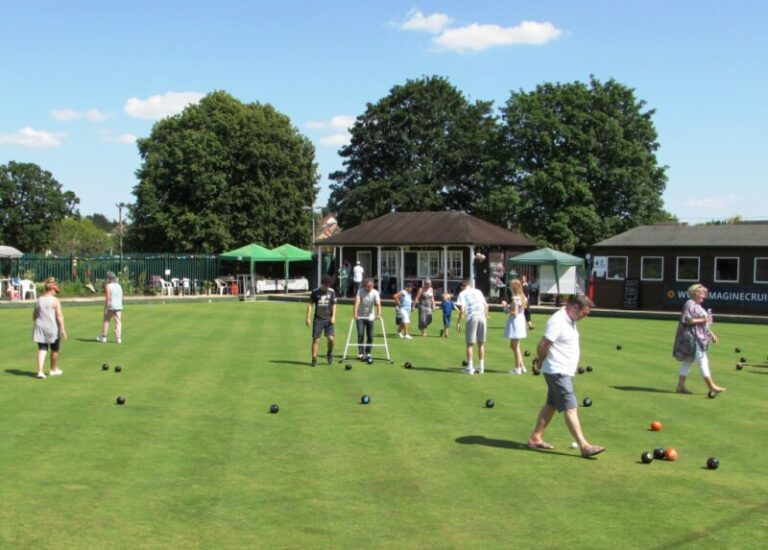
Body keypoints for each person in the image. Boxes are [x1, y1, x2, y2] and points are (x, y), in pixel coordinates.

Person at [528, 295, 605, 458]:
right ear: (575, 307)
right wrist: (540, 360)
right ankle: (584, 446)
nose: (586, 316)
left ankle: (535, 437)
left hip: (564, 371)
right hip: (557, 371)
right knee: (570, 407)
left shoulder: (571, 320)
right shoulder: (558, 321)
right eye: (585, 312)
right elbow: (543, 345)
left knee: (551, 405)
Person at [673, 283, 726, 394]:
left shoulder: (697, 305)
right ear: (696, 293)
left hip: (697, 336)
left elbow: (702, 323)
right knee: (702, 360)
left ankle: (680, 387)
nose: (704, 296)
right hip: (691, 338)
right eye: (702, 293)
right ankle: (711, 386)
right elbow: (687, 320)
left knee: (688, 361)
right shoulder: (690, 303)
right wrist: (704, 319)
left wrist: (711, 334)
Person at [32, 277, 67, 379]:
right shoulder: (55, 300)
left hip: (40, 326)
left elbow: (35, 314)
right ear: (52, 289)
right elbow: (59, 316)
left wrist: (36, 322)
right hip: (52, 327)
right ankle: (53, 369)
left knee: (42, 348)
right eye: (55, 290)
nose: (56, 292)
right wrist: (63, 329)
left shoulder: (39, 300)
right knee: (54, 349)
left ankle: (40, 372)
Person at [456, 280, 488, 374]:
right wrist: (484, 316)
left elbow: (462, 310)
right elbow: (486, 306)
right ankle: (481, 367)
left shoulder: (462, 294)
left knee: (469, 344)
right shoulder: (478, 291)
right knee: (481, 343)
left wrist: (458, 322)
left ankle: (470, 367)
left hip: (472, 317)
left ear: (463, 286)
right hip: (482, 316)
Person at [306, 274, 337, 367]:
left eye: (329, 285)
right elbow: (310, 305)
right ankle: (314, 359)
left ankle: (329, 353)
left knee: (331, 339)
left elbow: (334, 305)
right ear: (322, 284)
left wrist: (333, 316)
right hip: (318, 319)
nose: (328, 287)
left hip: (328, 319)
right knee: (316, 340)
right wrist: (308, 317)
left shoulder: (332, 292)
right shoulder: (315, 292)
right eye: (327, 285)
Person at [502, 279, 528, 374]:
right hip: (520, 322)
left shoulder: (516, 298)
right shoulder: (523, 298)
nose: (509, 288)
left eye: (510, 287)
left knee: (514, 346)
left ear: (514, 288)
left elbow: (515, 313)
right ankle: (522, 367)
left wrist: (506, 308)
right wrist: (508, 307)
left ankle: (517, 369)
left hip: (516, 322)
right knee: (515, 346)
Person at [354, 277, 382, 360]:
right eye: (365, 286)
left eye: (368, 286)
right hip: (360, 316)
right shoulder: (360, 291)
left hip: (370, 317)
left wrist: (378, 314)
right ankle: (361, 353)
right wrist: (355, 314)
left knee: (370, 336)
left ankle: (368, 352)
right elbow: (357, 303)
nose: (366, 288)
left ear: (372, 286)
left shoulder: (375, 293)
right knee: (360, 334)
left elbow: (378, 304)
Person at [97, 271, 123, 344]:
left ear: (109, 278)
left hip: (111, 305)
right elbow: (121, 296)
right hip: (118, 306)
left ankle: (104, 337)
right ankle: (118, 338)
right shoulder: (119, 285)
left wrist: (106, 307)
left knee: (106, 320)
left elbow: (108, 297)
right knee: (118, 321)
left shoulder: (108, 286)